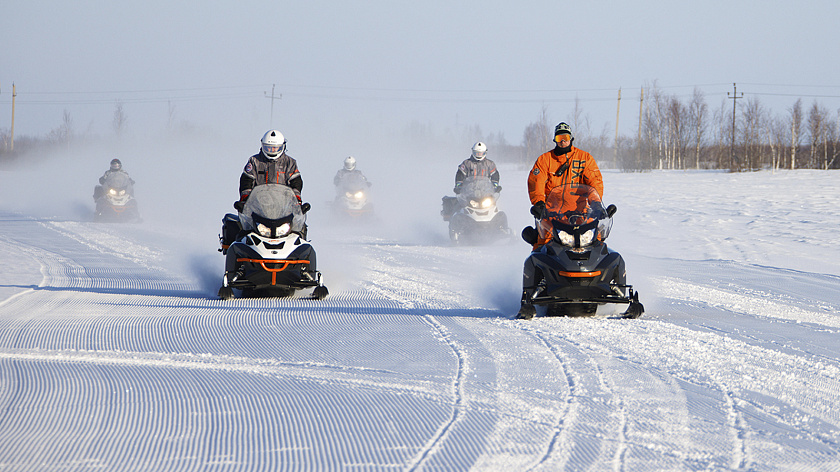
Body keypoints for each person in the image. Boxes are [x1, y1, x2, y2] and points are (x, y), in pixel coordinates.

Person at [523, 122, 604, 248]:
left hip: (580, 213)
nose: (562, 142)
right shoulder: (544, 160)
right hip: (552, 214)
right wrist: (539, 204)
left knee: (596, 239)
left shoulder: (584, 158)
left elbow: (595, 182)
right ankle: (539, 267)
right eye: (559, 138)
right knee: (543, 242)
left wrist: (596, 203)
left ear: (571, 138)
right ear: (554, 140)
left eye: (565, 138)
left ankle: (603, 266)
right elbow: (536, 182)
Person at [234, 129, 304, 212]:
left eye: (275, 148)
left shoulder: (290, 163)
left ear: (282, 146)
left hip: (283, 208)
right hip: (259, 207)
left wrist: (297, 201)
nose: (272, 150)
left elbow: (296, 183)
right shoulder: (254, 161)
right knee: (235, 223)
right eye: (269, 148)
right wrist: (244, 200)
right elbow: (246, 182)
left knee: (300, 224)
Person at [441, 142, 501, 220]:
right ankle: (456, 225)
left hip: (485, 192)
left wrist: (495, 186)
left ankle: (499, 227)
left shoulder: (490, 164)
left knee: (494, 209)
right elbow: (460, 175)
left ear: (485, 153)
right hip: (469, 192)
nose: (479, 155)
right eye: (477, 153)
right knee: (460, 208)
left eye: (481, 153)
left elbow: (495, 175)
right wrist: (458, 186)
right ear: (473, 152)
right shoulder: (467, 163)